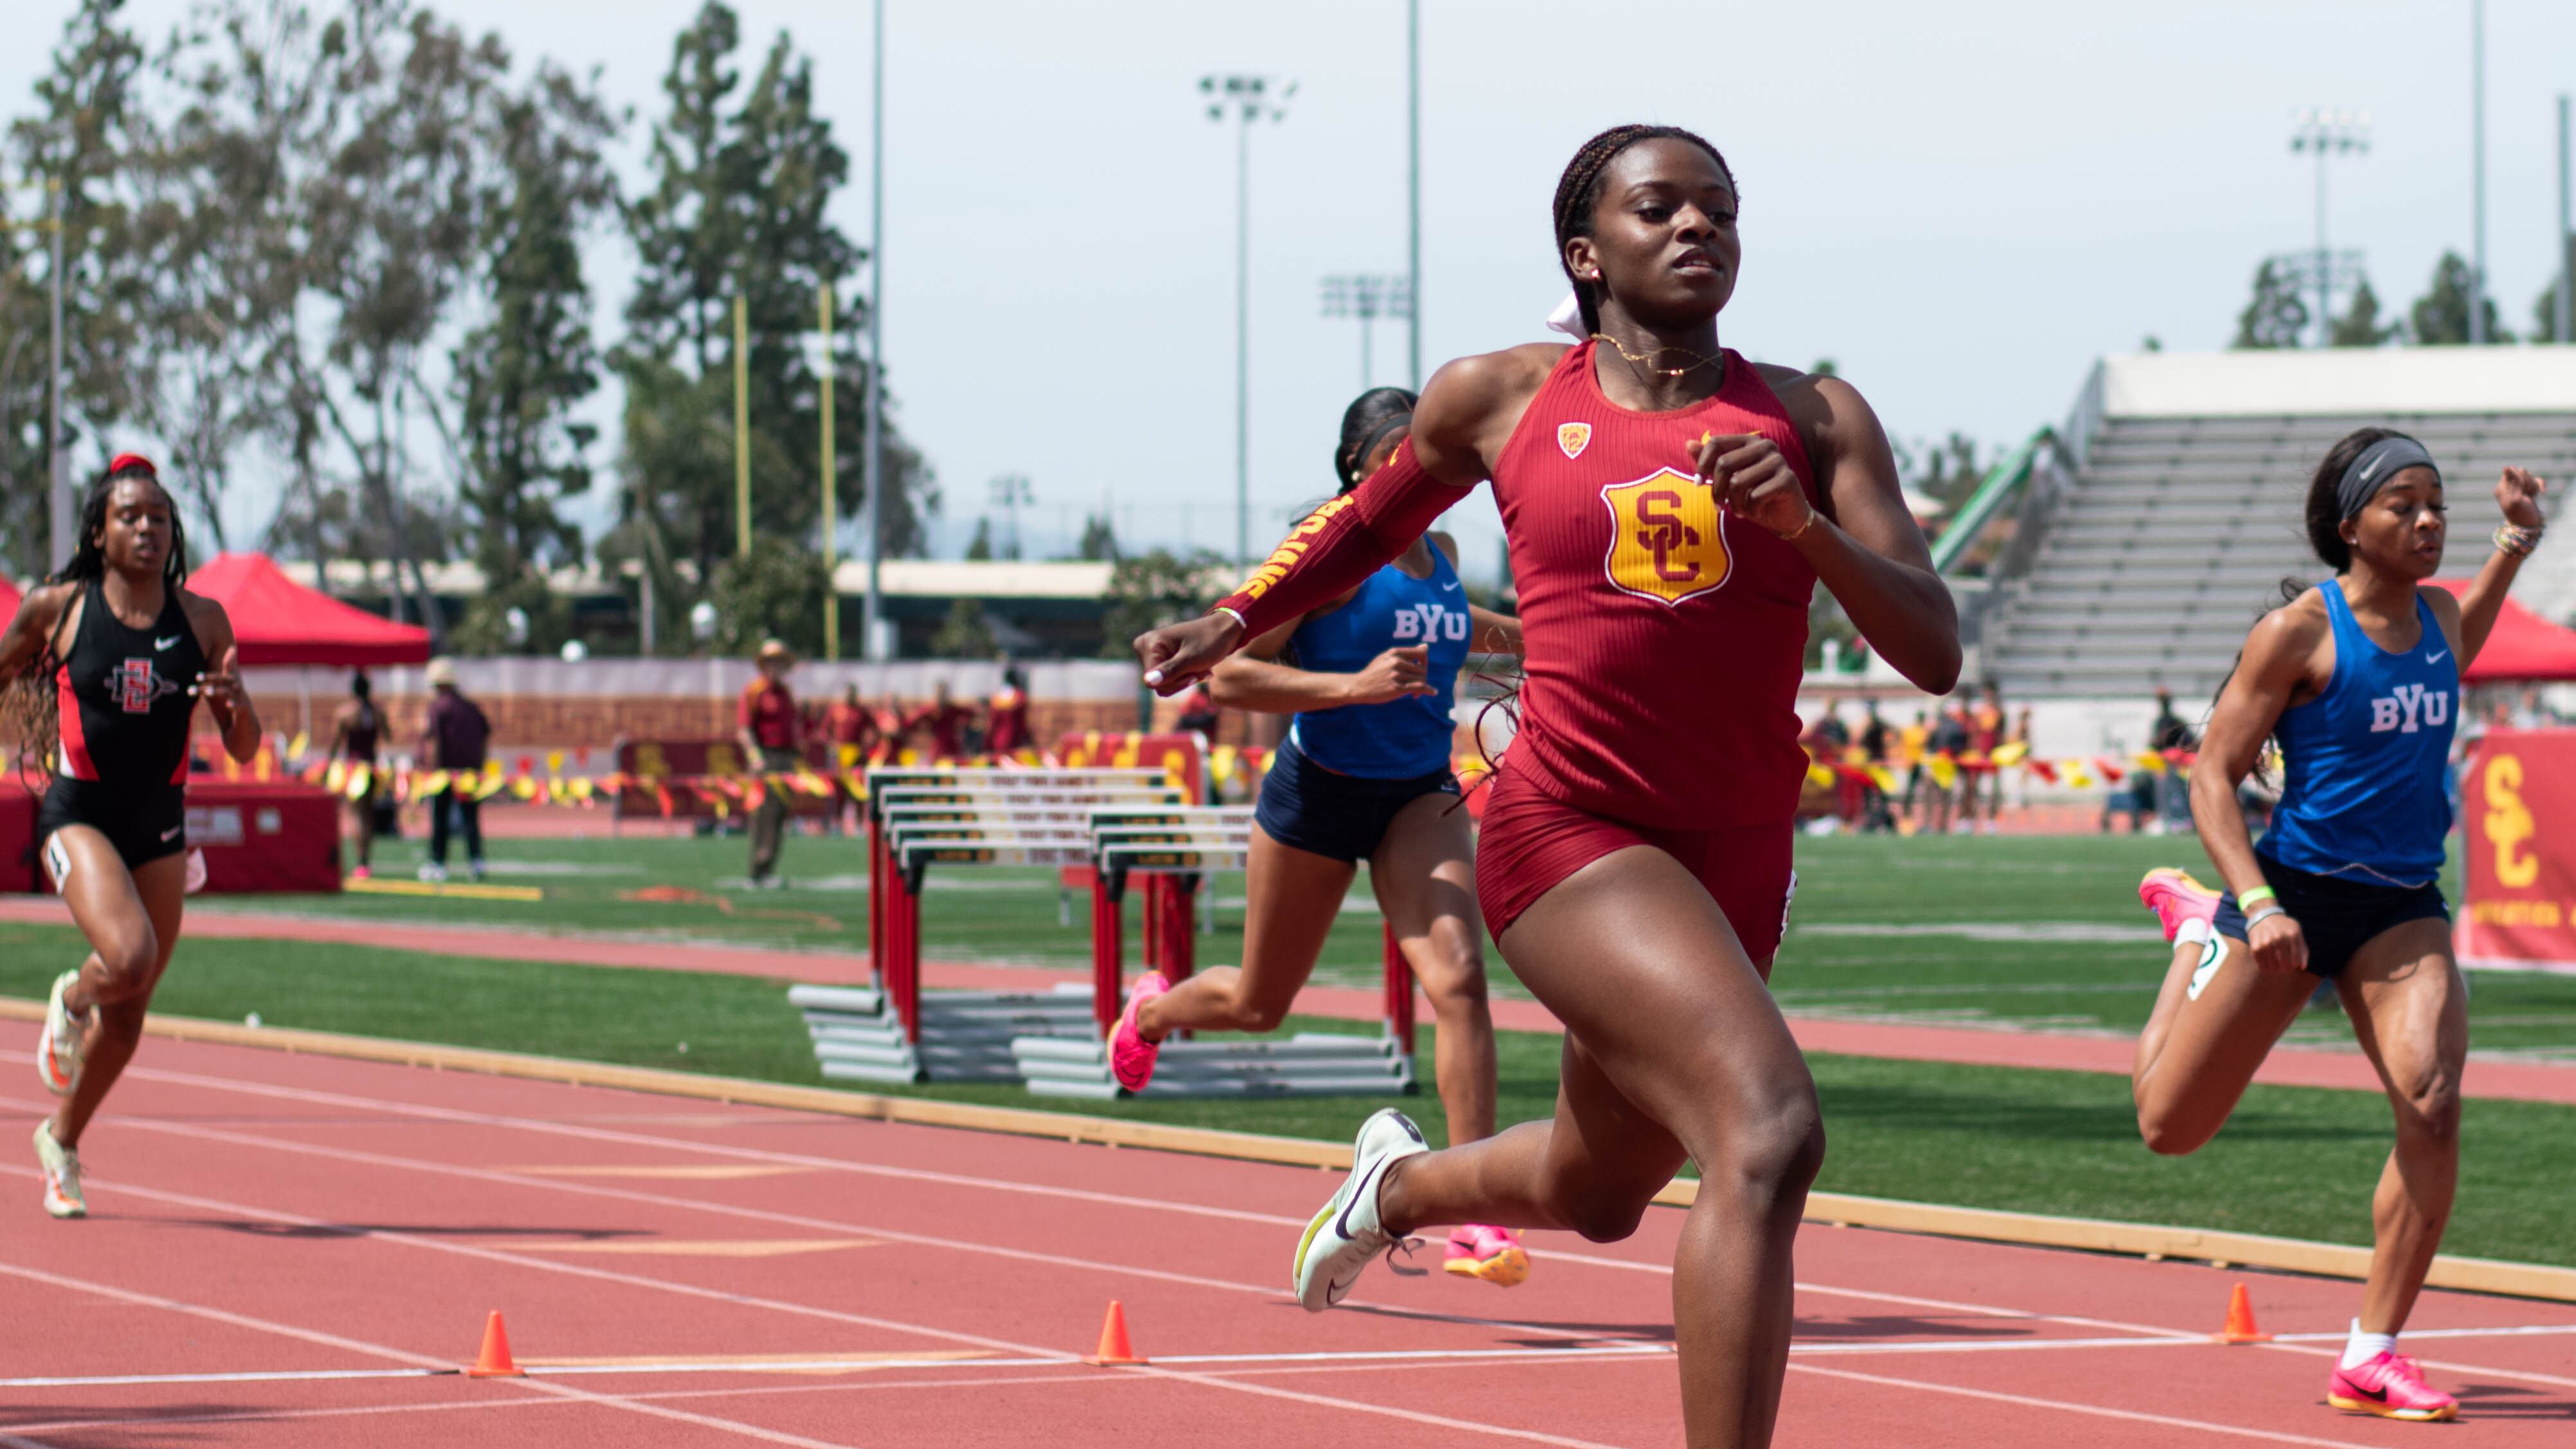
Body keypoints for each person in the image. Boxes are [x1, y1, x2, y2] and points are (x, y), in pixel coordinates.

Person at [1135, 125, 1959, 1448]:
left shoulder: (1812, 417)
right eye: (1659, 208)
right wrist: (1232, 620)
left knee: (1601, 1183)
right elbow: (1361, 527)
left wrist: (1802, 524)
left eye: (1721, 209)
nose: (1698, 228)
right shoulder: (1501, 395)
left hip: (1736, 849)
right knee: (1767, 1127)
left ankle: (1398, 1185)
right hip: (1569, 825)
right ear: (1588, 251)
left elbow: (1933, 644)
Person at [2133, 431, 2546, 1424]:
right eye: (2403, 504)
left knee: (2434, 1099)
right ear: (2349, 524)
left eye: (2436, 503)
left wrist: (2513, 544)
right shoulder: (2296, 633)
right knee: (2169, 1128)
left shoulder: (2439, 614)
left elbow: (2462, 640)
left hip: (2401, 903)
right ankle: (2197, 932)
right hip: (2293, 895)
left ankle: (2371, 1350)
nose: (2427, 520)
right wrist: (2256, 905)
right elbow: (2209, 775)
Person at [1110, 387, 1532, 1286]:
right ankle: (1148, 1009)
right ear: (1357, 467)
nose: (1412, 470)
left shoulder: (1446, 552)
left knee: (1459, 977)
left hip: (1417, 794)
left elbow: (1472, 629)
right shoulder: (1329, 549)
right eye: (1394, 453)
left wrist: (1550, 641)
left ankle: (1473, 1214)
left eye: (1425, 453)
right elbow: (1227, 679)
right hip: (1318, 793)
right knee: (1260, 1002)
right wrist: (1352, 688)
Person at [0, 454, 262, 1218]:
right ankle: (71, 993)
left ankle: (61, 1139)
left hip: (161, 824)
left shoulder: (204, 620)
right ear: (98, 530)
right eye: (130, 517)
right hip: (78, 812)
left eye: (159, 518)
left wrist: (236, 703)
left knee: (134, 1009)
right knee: (130, 955)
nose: (148, 529)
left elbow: (243, 747)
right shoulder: (58, 610)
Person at [418, 657, 490, 883]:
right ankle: (476, 861)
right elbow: (485, 733)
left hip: (445, 772)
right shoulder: (471, 707)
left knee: (440, 818)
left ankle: (439, 863)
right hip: (470, 772)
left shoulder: (438, 707)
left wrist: (434, 770)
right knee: (470, 818)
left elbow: (435, 741)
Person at [740, 639, 801, 887]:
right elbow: (744, 729)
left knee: (780, 816)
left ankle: (768, 869)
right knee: (764, 815)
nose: (776, 667)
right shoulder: (754, 692)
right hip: (765, 758)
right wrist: (755, 757)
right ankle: (757, 869)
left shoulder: (785, 693)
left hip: (786, 758)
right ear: (764, 665)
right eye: (771, 662)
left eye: (779, 662)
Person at [328, 670, 384, 878]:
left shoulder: (345, 712)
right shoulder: (377, 712)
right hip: (372, 767)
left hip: (353, 769)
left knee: (355, 815)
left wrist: (329, 767)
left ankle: (361, 862)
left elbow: (335, 744)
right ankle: (366, 860)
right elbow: (386, 734)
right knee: (369, 815)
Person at [986, 665, 1032, 756]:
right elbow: (1022, 722)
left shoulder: (997, 698)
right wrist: (1028, 739)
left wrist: (988, 742)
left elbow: (992, 723)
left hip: (997, 740)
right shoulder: (1019, 697)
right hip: (1014, 740)